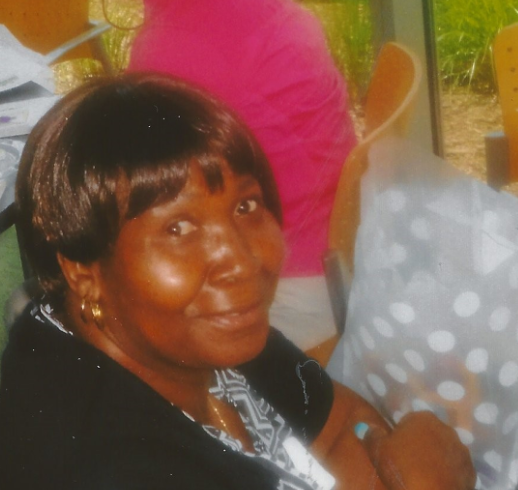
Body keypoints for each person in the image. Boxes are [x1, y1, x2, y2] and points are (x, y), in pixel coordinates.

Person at [0, 73, 474, 490]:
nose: (242, 259)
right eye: (178, 229)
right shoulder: (105, 466)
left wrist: (389, 457)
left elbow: (344, 424)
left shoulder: (194, 336)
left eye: (245, 205)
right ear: (83, 272)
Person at [125, 0, 358, 350]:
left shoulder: (173, 44)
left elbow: (138, 181)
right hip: (342, 254)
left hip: (287, 292)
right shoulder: (265, 10)